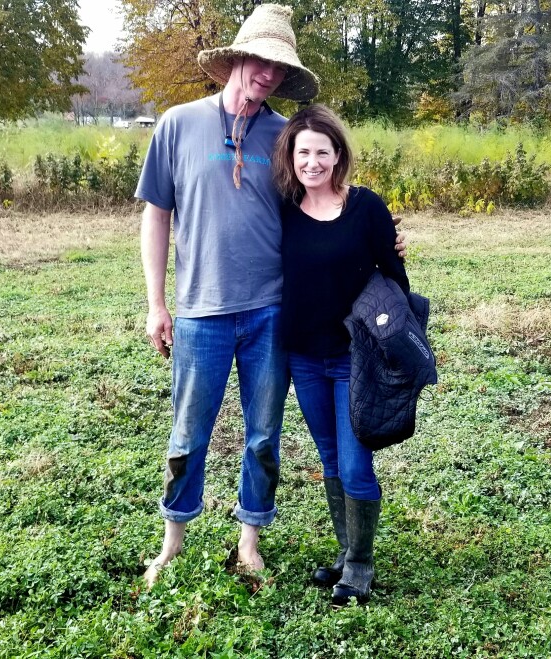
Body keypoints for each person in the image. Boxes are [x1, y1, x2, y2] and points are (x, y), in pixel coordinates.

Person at [135, 4, 404, 589]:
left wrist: (376, 233)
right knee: (188, 431)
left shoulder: (284, 136)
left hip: (271, 314)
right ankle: (172, 541)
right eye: (260, 60)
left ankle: (250, 538)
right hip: (200, 311)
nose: (267, 74)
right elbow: (157, 217)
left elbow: (319, 204)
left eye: (279, 68)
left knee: (263, 432)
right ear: (235, 59)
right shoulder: (177, 125)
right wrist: (157, 304)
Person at [272, 105, 410, 605]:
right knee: (330, 458)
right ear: (291, 156)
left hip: (356, 358)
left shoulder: (366, 207)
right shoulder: (283, 208)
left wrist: (392, 339)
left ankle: (360, 566)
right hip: (305, 358)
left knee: (355, 466)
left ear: (337, 156)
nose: (311, 161)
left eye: (321, 152)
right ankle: (345, 551)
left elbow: (395, 276)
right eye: (302, 151)